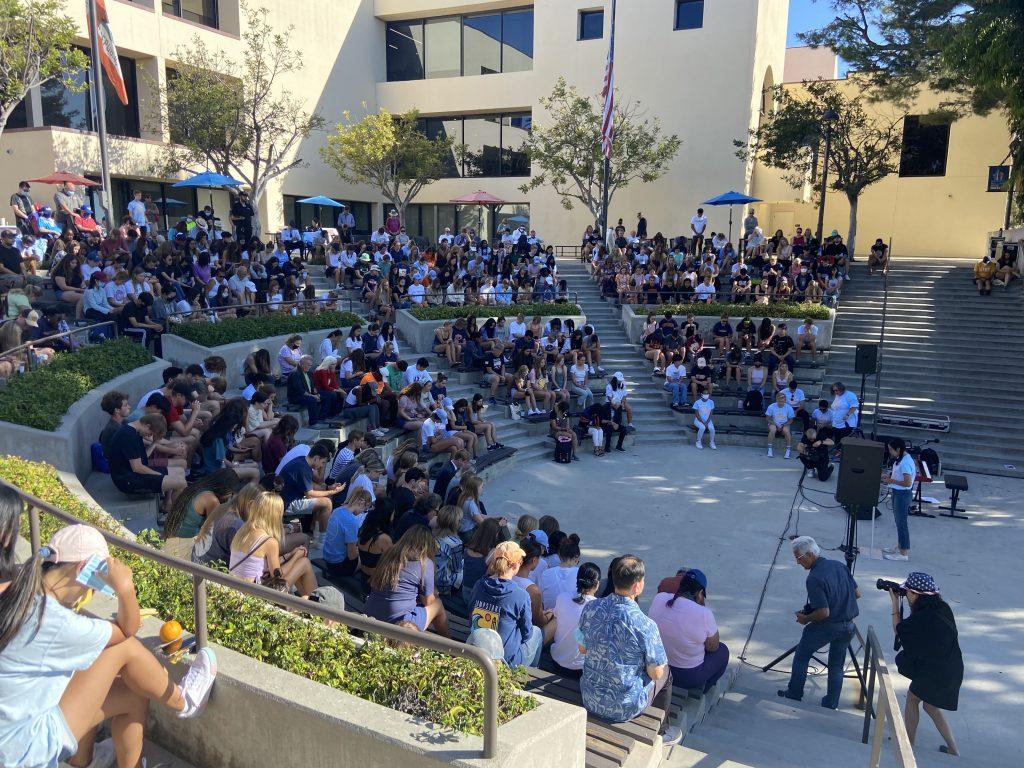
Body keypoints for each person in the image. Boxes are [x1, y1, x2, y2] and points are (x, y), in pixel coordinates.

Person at [0, 513, 217, 768]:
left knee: (131, 695)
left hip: (12, 730)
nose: (95, 589)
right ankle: (185, 700)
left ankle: (84, 762)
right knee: (123, 649)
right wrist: (125, 589)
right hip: (23, 747)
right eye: (98, 579)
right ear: (83, 569)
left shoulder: (14, 591)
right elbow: (127, 631)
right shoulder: (56, 621)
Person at [579, 555, 676, 736]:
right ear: (637, 586)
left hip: (590, 697)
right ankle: (662, 731)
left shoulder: (589, 608)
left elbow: (582, 648)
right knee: (666, 673)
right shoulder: (646, 625)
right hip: (624, 707)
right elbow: (656, 674)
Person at [779, 536, 860, 710]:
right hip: (849, 625)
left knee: (802, 654)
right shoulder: (839, 566)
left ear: (809, 555)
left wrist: (805, 618)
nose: (797, 562)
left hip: (828, 626)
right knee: (836, 665)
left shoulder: (813, 578)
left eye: (798, 558)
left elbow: (824, 612)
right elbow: (857, 594)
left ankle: (794, 693)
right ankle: (831, 703)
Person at [889, 572, 963, 756]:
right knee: (930, 706)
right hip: (950, 667)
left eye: (907, 592)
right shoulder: (942, 608)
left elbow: (900, 630)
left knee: (913, 698)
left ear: (915, 594)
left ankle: (908, 743)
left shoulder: (922, 618)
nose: (905, 595)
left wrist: (894, 603)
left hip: (936, 671)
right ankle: (954, 749)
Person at [648, 568, 729, 693]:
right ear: (700, 593)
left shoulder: (659, 598)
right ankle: (700, 692)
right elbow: (713, 647)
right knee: (722, 651)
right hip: (685, 677)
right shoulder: (704, 614)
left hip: (655, 667)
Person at [467, 540, 542, 667]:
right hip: (506, 661)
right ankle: (533, 671)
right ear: (515, 565)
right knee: (537, 632)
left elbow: (470, 615)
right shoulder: (521, 595)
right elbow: (527, 634)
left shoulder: (478, 585)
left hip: (478, 650)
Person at [229, 490, 317, 597]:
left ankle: (307, 603)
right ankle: (317, 606)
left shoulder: (242, 531)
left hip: (238, 590)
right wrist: (296, 556)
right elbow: (278, 578)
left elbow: (258, 565)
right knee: (304, 562)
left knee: (299, 563)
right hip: (255, 595)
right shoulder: (269, 542)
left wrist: (290, 554)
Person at [365, 525, 450, 636]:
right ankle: (449, 644)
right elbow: (429, 602)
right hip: (399, 622)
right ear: (427, 545)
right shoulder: (425, 562)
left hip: (371, 612)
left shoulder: (389, 553)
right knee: (438, 605)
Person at [549, 562, 601, 678]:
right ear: (597, 584)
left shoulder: (562, 597)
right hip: (580, 669)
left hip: (556, 661)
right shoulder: (599, 608)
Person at [323, 487, 374, 579]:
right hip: (338, 565)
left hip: (328, 558)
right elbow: (352, 555)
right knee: (368, 559)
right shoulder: (351, 521)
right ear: (361, 503)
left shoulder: (337, 511)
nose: (362, 513)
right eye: (365, 509)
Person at [882, 437, 915, 562]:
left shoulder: (905, 462)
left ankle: (903, 553)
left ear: (899, 449)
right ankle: (900, 545)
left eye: (891, 449)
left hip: (902, 494)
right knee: (898, 521)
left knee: (902, 523)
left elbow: (907, 483)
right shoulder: (900, 459)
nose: (890, 452)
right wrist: (890, 477)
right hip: (898, 492)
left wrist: (891, 481)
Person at [538, 533, 581, 611]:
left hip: (547, 617)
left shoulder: (546, 574)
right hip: (570, 618)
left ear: (559, 555)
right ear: (576, 557)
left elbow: (541, 599)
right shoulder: (580, 573)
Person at [765, 391, 795, 458]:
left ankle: (788, 451)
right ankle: (769, 449)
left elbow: (791, 420)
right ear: (777, 400)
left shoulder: (789, 407)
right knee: (773, 430)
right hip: (773, 423)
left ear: (785, 400)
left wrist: (783, 425)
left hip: (785, 423)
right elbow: (767, 418)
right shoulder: (771, 406)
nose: (781, 402)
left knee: (786, 431)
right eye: (780, 401)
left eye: (783, 401)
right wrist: (776, 424)